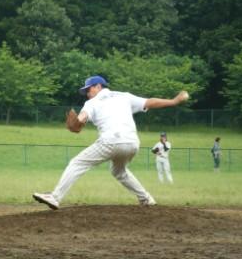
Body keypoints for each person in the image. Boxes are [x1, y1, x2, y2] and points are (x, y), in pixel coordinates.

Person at [33, 75, 189, 210]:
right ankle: (146, 199)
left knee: (77, 163)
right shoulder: (124, 96)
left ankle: (55, 197)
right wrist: (174, 101)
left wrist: (75, 125)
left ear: (99, 86)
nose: (87, 94)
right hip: (132, 143)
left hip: (111, 141)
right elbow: (149, 102)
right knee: (118, 171)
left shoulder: (92, 103)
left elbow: (79, 122)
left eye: (89, 89)